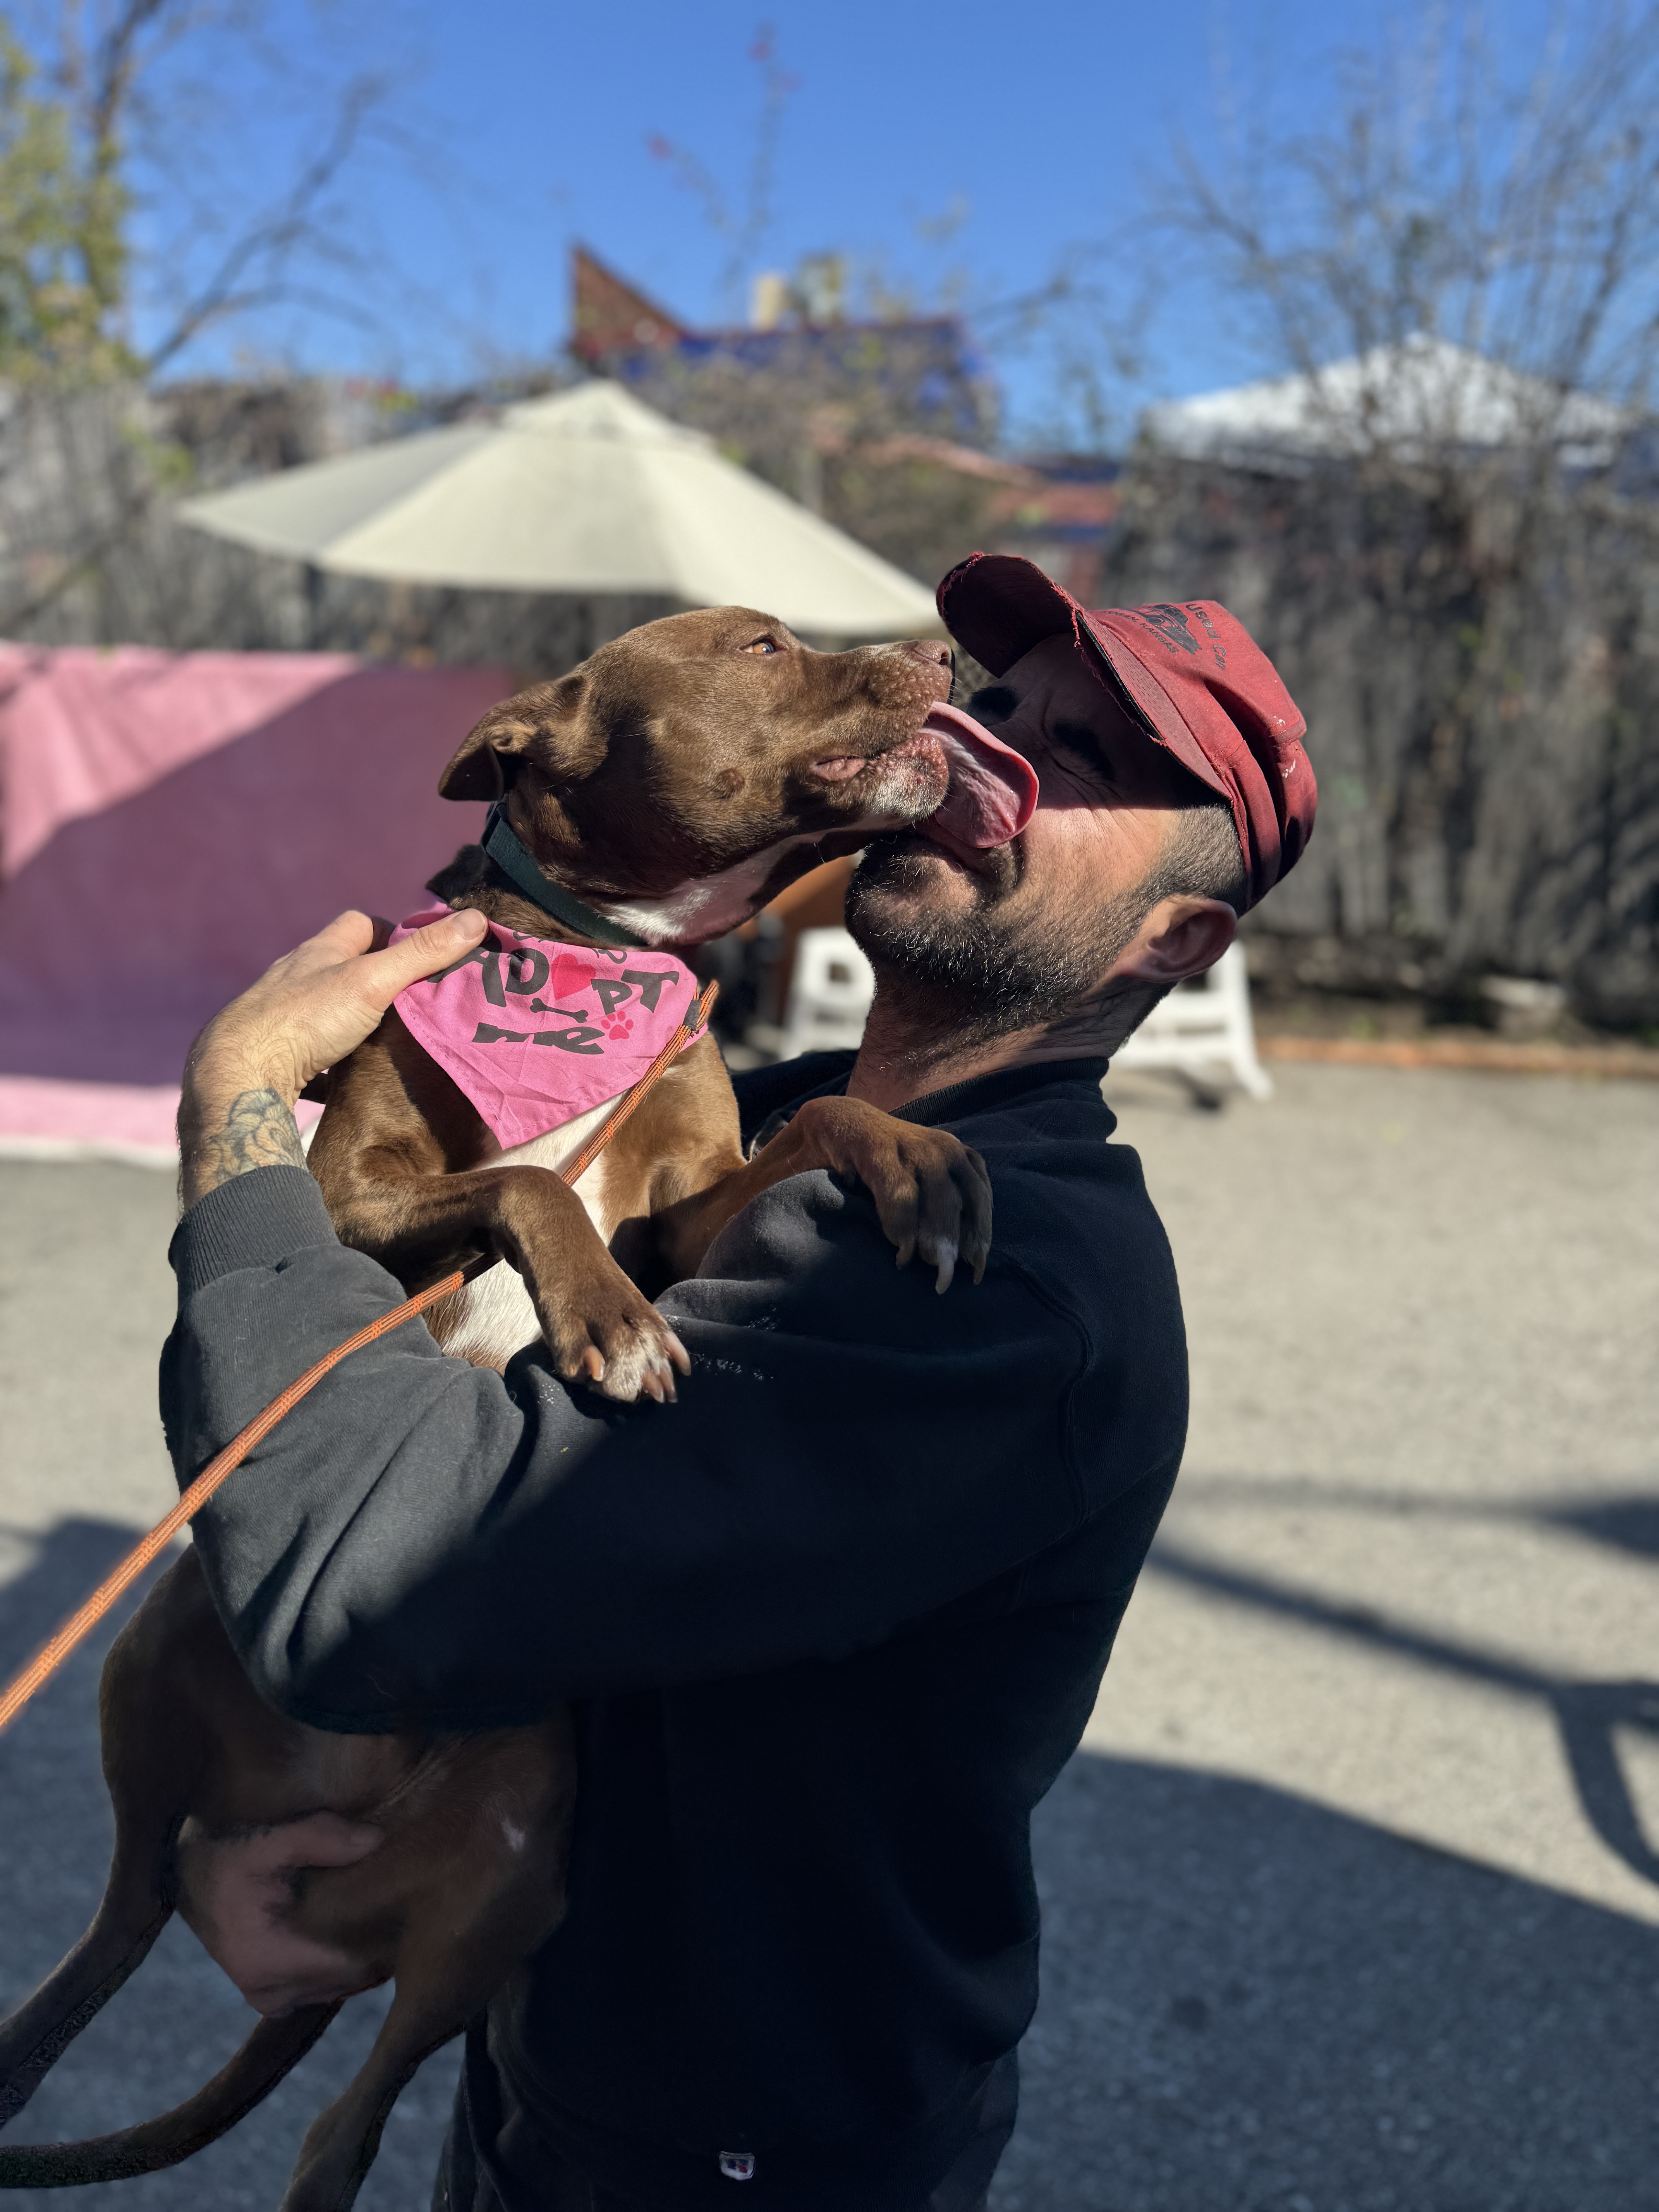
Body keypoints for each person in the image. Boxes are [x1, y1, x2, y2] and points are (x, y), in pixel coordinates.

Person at [162, 552, 1317, 2212]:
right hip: (562, 2053)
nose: (1000, 744)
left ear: (1174, 935)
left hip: (738, 2153)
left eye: (1093, 764)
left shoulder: (996, 1294)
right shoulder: (737, 1104)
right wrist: (359, 1828)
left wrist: (237, 1115)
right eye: (1007, 707)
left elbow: (361, 1580)